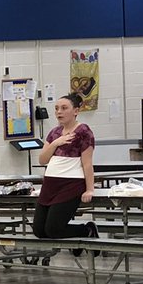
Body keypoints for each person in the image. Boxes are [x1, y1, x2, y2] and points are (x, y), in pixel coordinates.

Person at [34, 93, 98, 246]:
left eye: (64, 108)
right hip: (50, 185)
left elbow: (87, 163)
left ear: (76, 111)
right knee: (39, 230)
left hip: (71, 184)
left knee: (53, 229)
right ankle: (76, 241)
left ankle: (87, 230)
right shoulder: (54, 133)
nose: (59, 112)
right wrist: (56, 143)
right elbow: (42, 160)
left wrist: (90, 189)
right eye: (56, 108)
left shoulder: (83, 132)